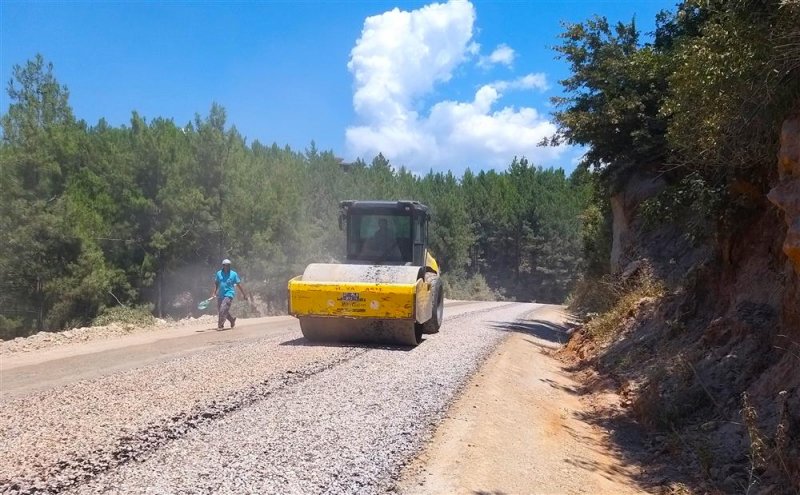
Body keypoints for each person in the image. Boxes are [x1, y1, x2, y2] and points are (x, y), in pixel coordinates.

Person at [211, 259, 248, 329]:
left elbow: (239, 284)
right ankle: (232, 320)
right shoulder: (218, 273)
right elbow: (216, 283)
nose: (228, 267)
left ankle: (220, 324)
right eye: (226, 265)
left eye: (229, 265)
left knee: (223, 308)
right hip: (220, 294)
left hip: (229, 294)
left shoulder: (234, 274)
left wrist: (244, 294)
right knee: (221, 310)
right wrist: (214, 292)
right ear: (223, 266)